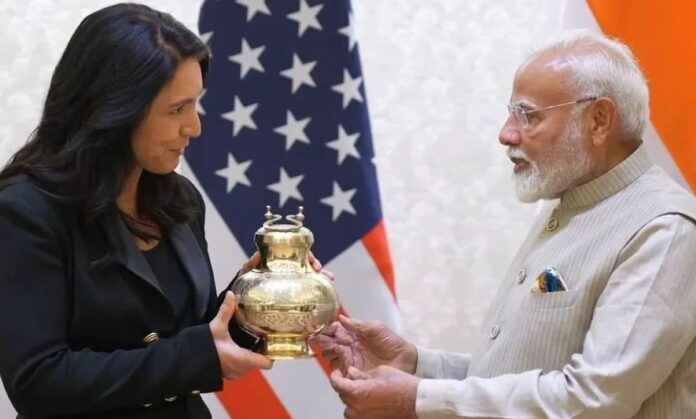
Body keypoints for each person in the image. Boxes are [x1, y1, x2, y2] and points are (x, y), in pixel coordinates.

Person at [319, 31, 696, 418]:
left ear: (598, 121)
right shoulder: (569, 205)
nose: (506, 133)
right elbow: (520, 376)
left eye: (528, 115)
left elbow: (592, 400)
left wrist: (417, 399)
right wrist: (416, 365)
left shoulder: (665, 229)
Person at [0, 3, 334, 418]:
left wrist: (256, 295)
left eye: (195, 104)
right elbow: (38, 382)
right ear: (113, 110)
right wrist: (197, 356)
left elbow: (191, 338)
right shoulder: (25, 213)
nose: (194, 127)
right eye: (176, 109)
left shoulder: (181, 200)